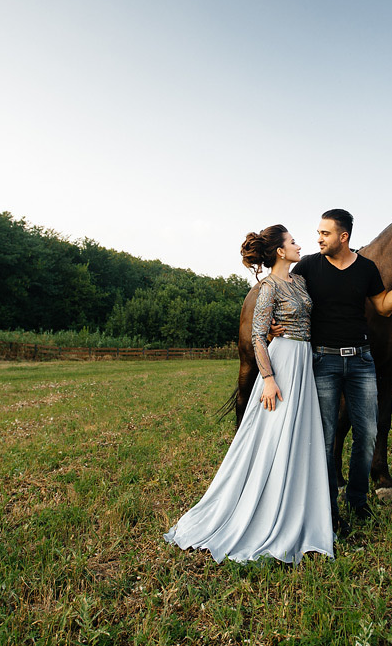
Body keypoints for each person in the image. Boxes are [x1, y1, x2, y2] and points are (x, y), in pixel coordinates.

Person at [163, 225, 333, 564]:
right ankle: (261, 504)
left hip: (304, 360)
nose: (299, 245)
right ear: (281, 251)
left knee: (298, 435)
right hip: (282, 362)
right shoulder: (268, 287)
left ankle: (299, 504)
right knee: (271, 435)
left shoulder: (299, 281)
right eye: (293, 241)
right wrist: (268, 379)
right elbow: (258, 338)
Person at [290, 209, 392, 532]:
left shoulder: (366, 268)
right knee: (326, 436)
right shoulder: (308, 266)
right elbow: (284, 292)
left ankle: (358, 500)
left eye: (325, 233)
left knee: (368, 433)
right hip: (325, 361)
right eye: (318, 232)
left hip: (361, 361)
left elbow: (384, 306)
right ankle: (328, 508)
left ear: (343, 237)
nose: (318, 238)